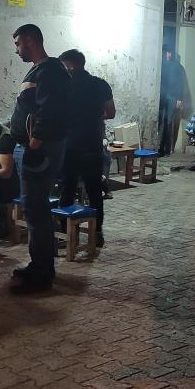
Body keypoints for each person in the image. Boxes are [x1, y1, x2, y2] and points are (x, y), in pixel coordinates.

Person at [9, 23, 71, 293]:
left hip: (39, 149)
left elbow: (50, 110)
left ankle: (42, 272)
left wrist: (35, 146)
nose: (16, 50)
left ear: (31, 40)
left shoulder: (50, 70)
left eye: (18, 44)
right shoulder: (41, 70)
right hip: (33, 147)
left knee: (36, 209)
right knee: (35, 209)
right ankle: (40, 264)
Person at [57, 49, 115, 248]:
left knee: (67, 189)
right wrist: (94, 117)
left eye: (63, 66)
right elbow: (111, 112)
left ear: (70, 65)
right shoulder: (100, 84)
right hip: (92, 143)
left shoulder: (63, 85)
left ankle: (66, 234)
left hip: (69, 146)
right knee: (94, 190)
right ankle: (96, 233)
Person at [158, 45, 186, 156]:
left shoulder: (178, 67)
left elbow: (181, 84)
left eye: (169, 52)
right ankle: (160, 148)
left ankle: (165, 149)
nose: (167, 55)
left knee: (168, 122)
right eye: (166, 52)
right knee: (161, 121)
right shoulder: (161, 65)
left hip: (172, 97)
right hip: (162, 97)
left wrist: (179, 99)